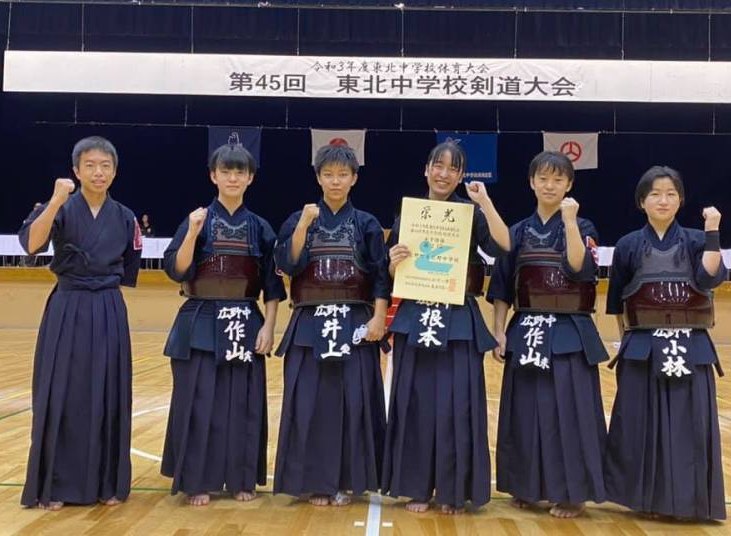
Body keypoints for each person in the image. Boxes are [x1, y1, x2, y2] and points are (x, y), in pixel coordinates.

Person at [382, 140, 511, 514]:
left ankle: (454, 490)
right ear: (426, 170)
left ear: (461, 175)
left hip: (458, 320)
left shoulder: (471, 214)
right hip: (415, 316)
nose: (443, 174)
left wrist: (484, 202)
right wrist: (392, 262)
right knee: (415, 403)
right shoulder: (408, 215)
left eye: (453, 168)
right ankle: (417, 487)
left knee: (458, 404)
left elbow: (504, 246)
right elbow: (388, 274)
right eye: (438, 166)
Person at [18, 136, 142, 510]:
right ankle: (56, 485)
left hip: (107, 307)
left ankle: (107, 482)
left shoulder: (125, 217)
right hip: (68, 306)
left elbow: (128, 269)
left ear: (115, 172)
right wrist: (56, 200)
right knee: (63, 392)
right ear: (76, 170)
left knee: (108, 391)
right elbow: (31, 245)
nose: (98, 172)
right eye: (90, 165)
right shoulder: (58, 207)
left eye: (105, 165)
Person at [161, 144, 285, 506]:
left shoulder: (260, 227)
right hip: (200, 322)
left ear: (250, 178)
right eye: (225, 171)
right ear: (213, 176)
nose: (233, 178)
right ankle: (197, 480)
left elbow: (273, 286)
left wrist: (269, 327)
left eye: (239, 172)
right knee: (198, 403)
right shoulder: (197, 220)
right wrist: (191, 233)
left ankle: (241, 479)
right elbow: (177, 270)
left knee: (244, 405)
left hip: (245, 321)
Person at [487, 151, 607, 518]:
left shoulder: (584, 226)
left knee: (569, 413)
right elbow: (502, 287)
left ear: (570, 184)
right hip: (526, 330)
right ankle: (526, 487)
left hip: (570, 331)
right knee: (525, 412)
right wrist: (499, 332)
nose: (550, 185)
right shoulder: (517, 232)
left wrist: (569, 222)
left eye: (558, 179)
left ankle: (571, 493)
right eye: (543, 178)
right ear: (531, 182)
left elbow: (580, 268)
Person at [604, 165, 726, 521]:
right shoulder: (628, 245)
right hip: (642, 347)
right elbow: (617, 304)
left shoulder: (696, 240)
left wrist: (713, 231)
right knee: (641, 425)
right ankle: (646, 500)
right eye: (655, 194)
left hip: (691, 346)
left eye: (671, 194)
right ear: (642, 201)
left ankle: (689, 503)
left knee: (690, 425)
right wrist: (627, 344)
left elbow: (709, 278)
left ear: (681, 200)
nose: (663, 200)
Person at [272, 145, 389, 507]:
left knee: (354, 400)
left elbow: (381, 275)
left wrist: (379, 317)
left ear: (354, 179)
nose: (335, 181)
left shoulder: (367, 224)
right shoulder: (298, 219)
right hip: (309, 321)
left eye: (342, 175)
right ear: (318, 177)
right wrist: (303, 226)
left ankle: (351, 480)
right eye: (328, 174)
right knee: (310, 401)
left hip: (355, 322)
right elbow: (288, 265)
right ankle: (313, 481)